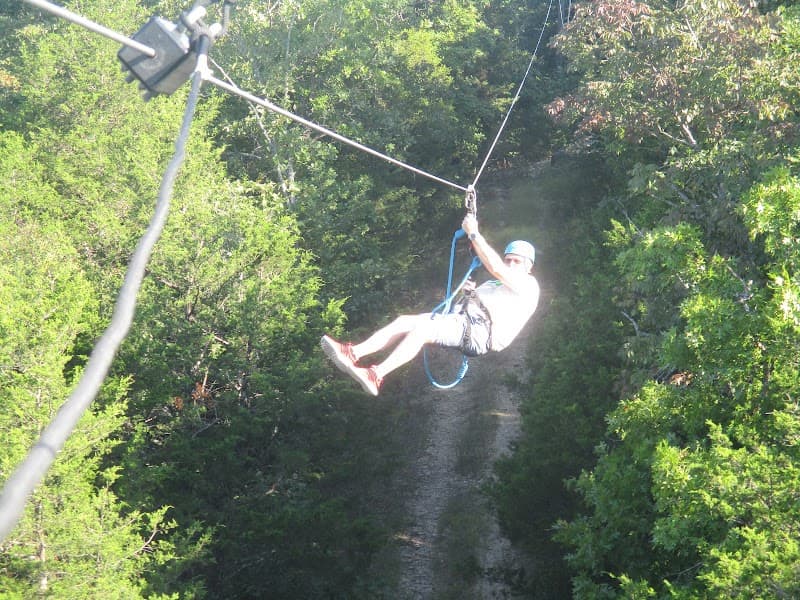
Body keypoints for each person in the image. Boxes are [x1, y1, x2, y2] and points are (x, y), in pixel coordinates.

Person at [321, 214, 540, 396]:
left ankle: (376, 375)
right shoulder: (494, 285)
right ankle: (354, 353)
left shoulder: (528, 285)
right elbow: (481, 289)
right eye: (509, 259)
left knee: (423, 330)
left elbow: (496, 267)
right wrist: (469, 295)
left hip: (480, 334)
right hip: (464, 323)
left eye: (516, 261)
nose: (511, 264)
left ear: (528, 267)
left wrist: (474, 233)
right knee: (404, 321)